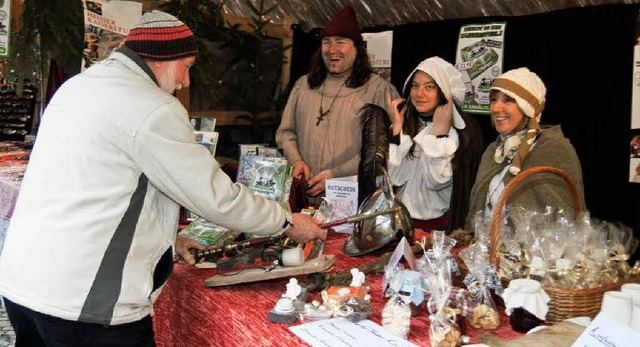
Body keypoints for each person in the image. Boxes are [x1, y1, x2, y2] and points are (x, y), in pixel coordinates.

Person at [0, 10, 325, 347]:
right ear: (164, 60)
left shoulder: (78, 87)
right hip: (85, 305)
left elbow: (98, 189)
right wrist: (285, 222)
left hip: (24, 284)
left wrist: (166, 240)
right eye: (187, 67)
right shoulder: (152, 107)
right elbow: (216, 197)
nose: (185, 81)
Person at [276, 5, 399, 198]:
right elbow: (286, 133)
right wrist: (296, 160)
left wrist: (335, 175)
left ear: (357, 48)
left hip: (350, 203)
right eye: (326, 42)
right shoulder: (304, 85)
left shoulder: (379, 91)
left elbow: (384, 151)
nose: (332, 49)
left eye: (340, 42)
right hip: (302, 196)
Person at [465, 67, 585, 233]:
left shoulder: (553, 149)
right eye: (493, 99)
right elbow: (478, 211)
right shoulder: (494, 152)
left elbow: (564, 219)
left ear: (528, 107)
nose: (496, 108)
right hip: (486, 252)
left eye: (508, 100)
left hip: (533, 257)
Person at [387, 57, 484, 233]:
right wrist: (397, 130)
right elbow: (395, 178)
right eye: (415, 86)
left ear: (443, 91)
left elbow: (436, 180)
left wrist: (439, 135)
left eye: (429, 87)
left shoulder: (457, 131)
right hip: (403, 221)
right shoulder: (409, 124)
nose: (419, 93)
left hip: (437, 226)